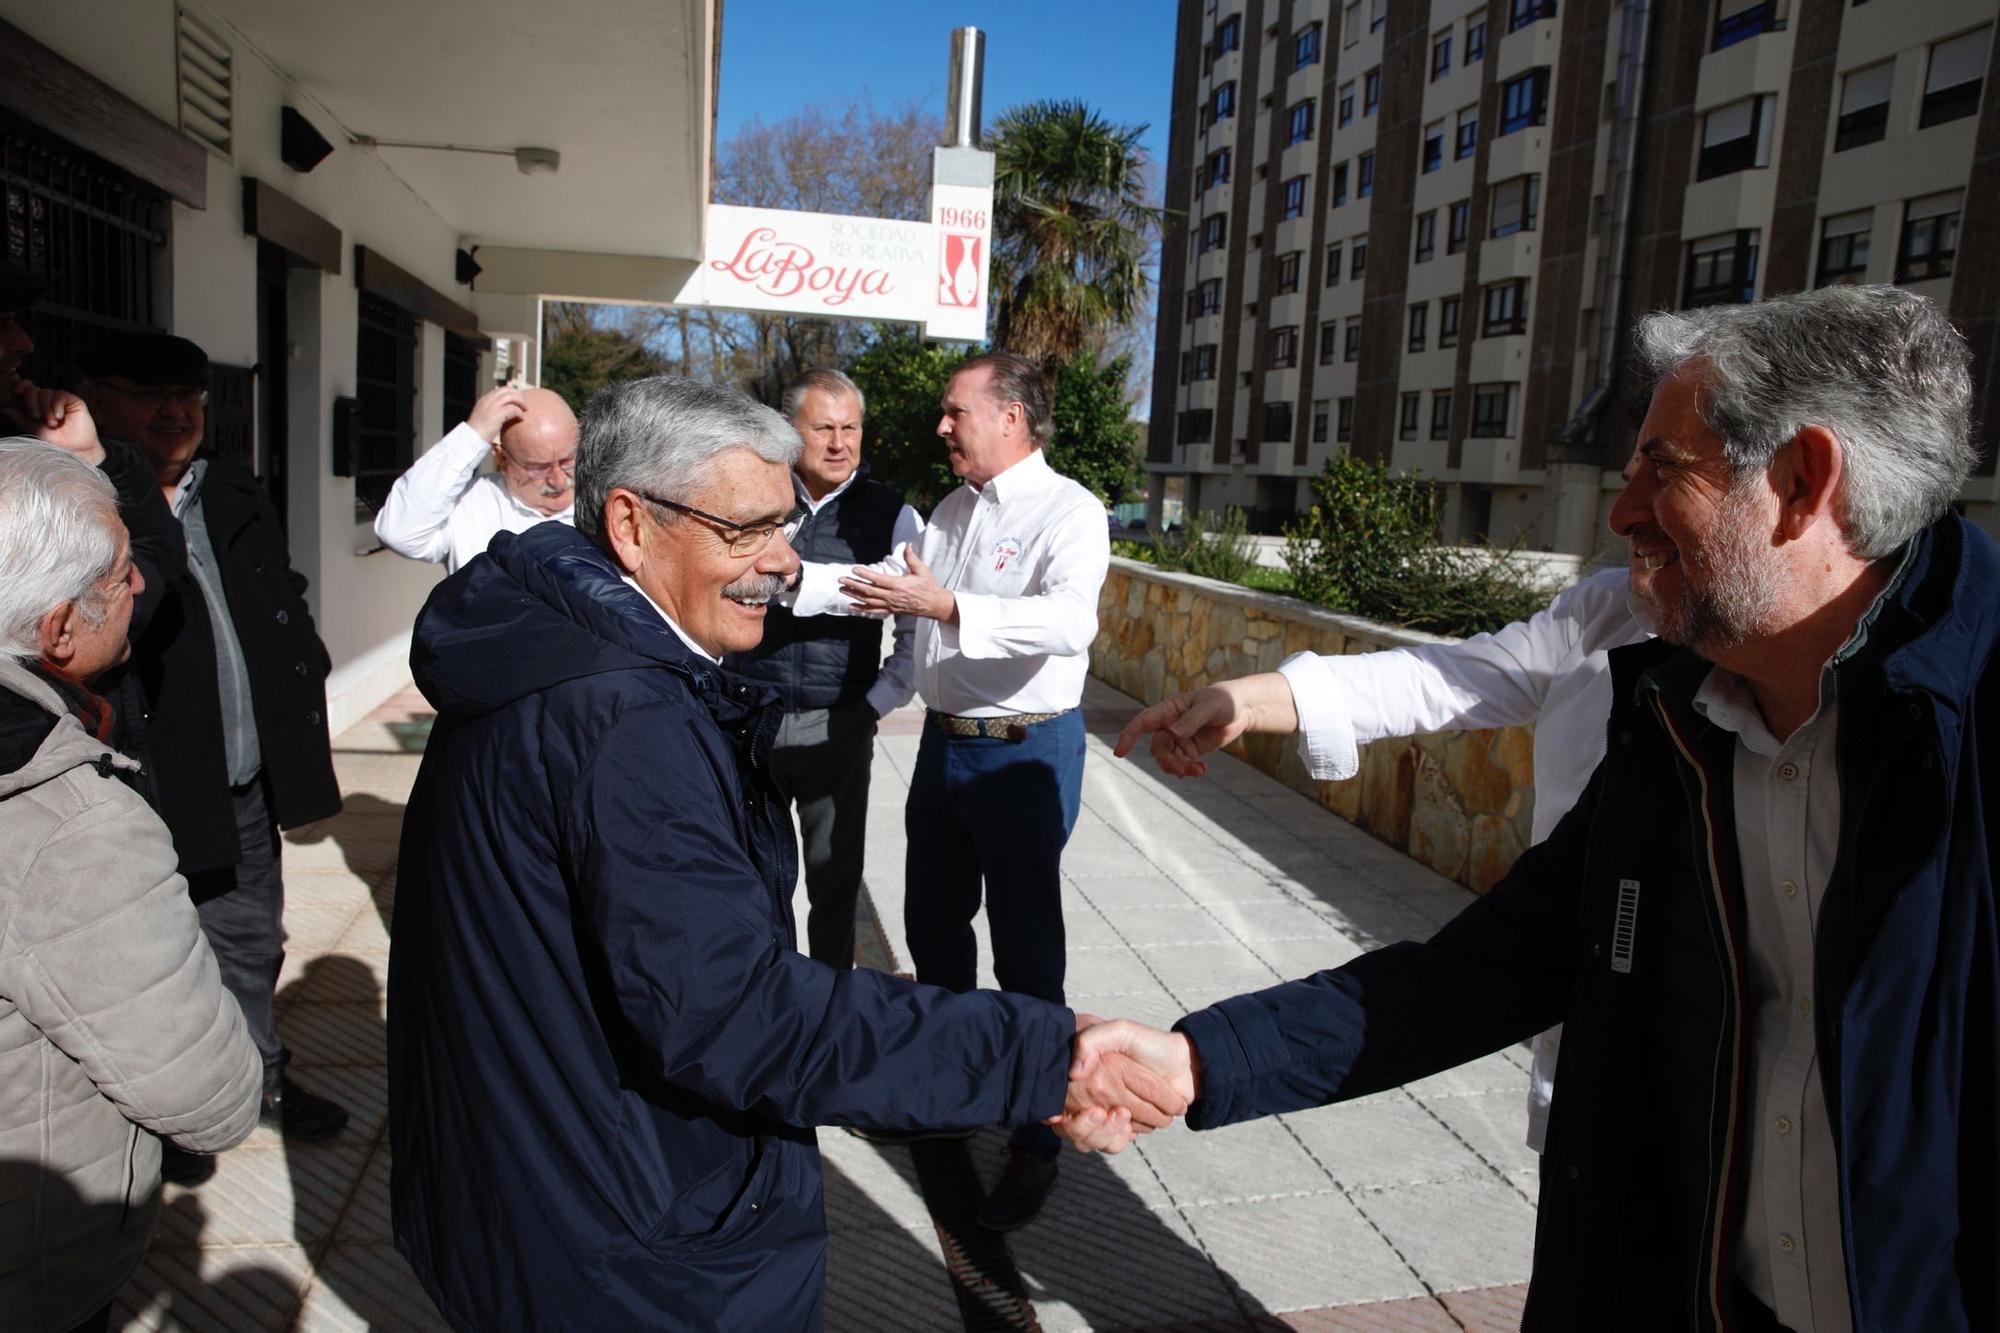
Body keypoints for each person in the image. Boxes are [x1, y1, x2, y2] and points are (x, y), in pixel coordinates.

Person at [1070, 285, 2000, 1330]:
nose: (1620, 510)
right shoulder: (1668, 713)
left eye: (1663, 467)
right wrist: (1200, 1063)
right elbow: (1484, 970)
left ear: (1800, 481)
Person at [386, 375, 1166, 1331]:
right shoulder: (623, 721)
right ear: (630, 523)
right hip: (623, 1242)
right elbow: (740, 1014)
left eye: (782, 524)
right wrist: (1042, 1055)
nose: (779, 561)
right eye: (747, 530)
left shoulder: (553, 644)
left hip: (538, 1188)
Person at [1115, 565, 1648, 1150]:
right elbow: (1451, 678)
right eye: (1631, 475)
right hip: (1585, 1097)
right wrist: (1249, 697)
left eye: (1667, 472)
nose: (1625, 514)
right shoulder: (1610, 607)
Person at [829, 351, 1111, 1230]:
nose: (942, 426)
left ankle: (1035, 1132)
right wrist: (886, 637)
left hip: (1025, 756)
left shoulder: (1073, 510)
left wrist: (948, 606)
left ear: (1013, 417)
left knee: (1028, 949)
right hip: (945, 751)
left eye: (957, 412)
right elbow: (923, 625)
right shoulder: (950, 510)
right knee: (934, 931)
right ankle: (948, 1095)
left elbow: (1071, 621)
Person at [0, 438, 261, 1333]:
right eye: (119, 575)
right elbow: (215, 1094)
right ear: (58, 632)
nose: (141, 585)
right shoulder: (67, 823)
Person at [81, 333, 350, 1167]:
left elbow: (280, 591)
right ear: (96, 395)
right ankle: (170, 1116)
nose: (175, 413)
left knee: (250, 940)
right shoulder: (81, 500)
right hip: (145, 780)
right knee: (154, 958)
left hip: (241, 779)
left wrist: (305, 656)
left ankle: (256, 1080)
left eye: (189, 398)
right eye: (148, 394)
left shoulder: (233, 488)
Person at [726, 368, 918, 968]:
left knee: (835, 885)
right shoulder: (751, 496)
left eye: (851, 428)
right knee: (750, 876)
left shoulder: (893, 514)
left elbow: (910, 619)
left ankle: (831, 1006)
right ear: (789, 429)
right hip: (746, 723)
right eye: (823, 428)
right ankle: (761, 996)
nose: (839, 443)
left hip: (837, 726)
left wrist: (872, 708)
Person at [372, 384, 581, 571]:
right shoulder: (469, 504)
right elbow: (399, 533)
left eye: (568, 461)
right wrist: (473, 435)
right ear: (502, 459)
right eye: (538, 468)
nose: (559, 480)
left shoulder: (606, 503)